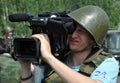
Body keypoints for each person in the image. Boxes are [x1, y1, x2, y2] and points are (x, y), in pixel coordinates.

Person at [19, 5, 119, 83]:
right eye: (72, 30)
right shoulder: (56, 62)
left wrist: (49, 57)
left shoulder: (107, 63)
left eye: (81, 31)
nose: (73, 35)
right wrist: (25, 67)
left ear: (93, 37)